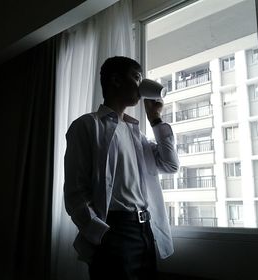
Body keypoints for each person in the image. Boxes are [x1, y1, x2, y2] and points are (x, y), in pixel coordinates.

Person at [63, 56, 179, 280]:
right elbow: (75, 192)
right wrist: (101, 234)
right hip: (114, 231)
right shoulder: (86, 126)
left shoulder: (138, 134)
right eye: (137, 77)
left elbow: (170, 164)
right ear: (116, 80)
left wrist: (155, 119)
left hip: (146, 230)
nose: (141, 84)